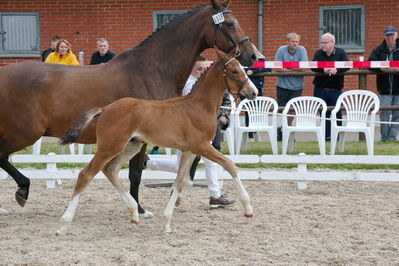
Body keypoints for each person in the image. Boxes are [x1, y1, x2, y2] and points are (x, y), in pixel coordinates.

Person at [145, 57, 236, 208]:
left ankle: (215, 195)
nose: (201, 72)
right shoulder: (189, 84)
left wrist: (221, 114)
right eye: (199, 69)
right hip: (186, 130)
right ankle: (150, 163)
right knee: (181, 166)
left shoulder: (203, 83)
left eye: (203, 69)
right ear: (192, 68)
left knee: (209, 160)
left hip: (204, 128)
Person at [311, 33, 349, 141]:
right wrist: (323, 69)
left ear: (332, 43)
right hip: (320, 89)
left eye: (325, 42)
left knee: (336, 113)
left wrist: (337, 70)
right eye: (321, 42)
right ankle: (325, 137)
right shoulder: (318, 53)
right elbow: (313, 66)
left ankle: (338, 137)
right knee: (323, 113)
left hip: (335, 90)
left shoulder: (341, 52)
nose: (322, 45)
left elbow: (347, 65)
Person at [274, 33, 308, 140]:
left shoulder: (302, 50)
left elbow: (304, 67)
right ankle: (285, 130)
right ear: (287, 42)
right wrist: (295, 68)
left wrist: (287, 67)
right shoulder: (281, 50)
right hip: (282, 86)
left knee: (293, 110)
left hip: (297, 87)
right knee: (283, 110)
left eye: (297, 42)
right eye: (293, 42)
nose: (295, 44)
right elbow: (277, 67)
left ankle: (285, 130)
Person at [369, 26, 399, 141]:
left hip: (398, 88)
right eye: (387, 35)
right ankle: (384, 137)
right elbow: (370, 64)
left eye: (392, 35)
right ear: (384, 37)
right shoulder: (378, 50)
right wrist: (380, 68)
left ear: (396, 36)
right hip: (384, 88)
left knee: (397, 114)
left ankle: (392, 137)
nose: (390, 37)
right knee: (384, 113)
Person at [243, 57, 271, 141]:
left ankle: (255, 131)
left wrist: (254, 71)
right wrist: (247, 71)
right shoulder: (242, 58)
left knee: (257, 110)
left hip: (257, 88)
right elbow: (241, 70)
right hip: (245, 88)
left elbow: (269, 67)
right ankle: (250, 135)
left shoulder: (260, 58)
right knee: (248, 111)